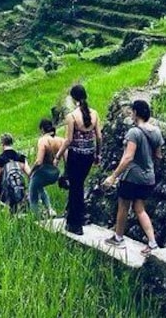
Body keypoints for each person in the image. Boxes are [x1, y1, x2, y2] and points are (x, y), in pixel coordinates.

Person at [103, 100, 163, 255]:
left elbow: (128, 157)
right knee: (140, 208)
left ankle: (118, 238)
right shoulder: (156, 131)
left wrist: (113, 176)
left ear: (136, 113)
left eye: (132, 111)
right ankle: (152, 242)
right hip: (148, 177)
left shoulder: (134, 133)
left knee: (123, 206)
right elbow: (158, 155)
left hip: (131, 177)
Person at [56, 84, 101, 235]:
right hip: (89, 155)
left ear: (73, 98)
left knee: (76, 188)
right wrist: (98, 154)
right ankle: (77, 218)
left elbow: (68, 140)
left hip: (75, 156)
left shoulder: (72, 117)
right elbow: (99, 137)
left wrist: (57, 156)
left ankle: (75, 224)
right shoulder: (94, 114)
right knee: (79, 185)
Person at [28, 119, 64, 218]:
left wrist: (31, 172)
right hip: (55, 172)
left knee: (32, 194)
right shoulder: (60, 140)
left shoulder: (43, 140)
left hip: (43, 172)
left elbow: (39, 161)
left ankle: (35, 218)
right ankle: (50, 209)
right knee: (40, 188)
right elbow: (66, 158)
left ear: (42, 130)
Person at [0, 133, 30, 211]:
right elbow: (30, 174)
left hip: (5, 197)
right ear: (12, 142)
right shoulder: (21, 158)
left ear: (2, 144)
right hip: (21, 195)